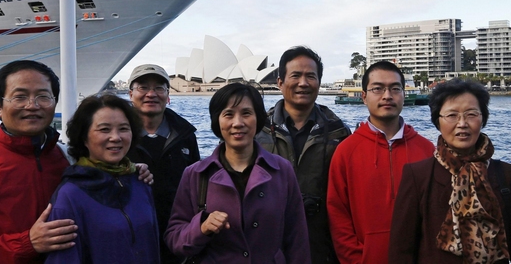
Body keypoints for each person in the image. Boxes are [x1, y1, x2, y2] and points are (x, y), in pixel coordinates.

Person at [0, 60, 152, 263]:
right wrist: (26, 243)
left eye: (43, 97)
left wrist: (131, 171)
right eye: (20, 96)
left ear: (55, 103)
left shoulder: (70, 159)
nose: (32, 105)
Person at [165, 83, 311, 263]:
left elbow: (297, 240)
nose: (238, 123)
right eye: (228, 114)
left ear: (258, 118)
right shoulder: (195, 174)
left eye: (246, 113)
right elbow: (174, 239)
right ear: (217, 120)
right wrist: (201, 228)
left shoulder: (282, 170)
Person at [389, 79, 511, 264]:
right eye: (452, 115)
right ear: (438, 120)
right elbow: (401, 251)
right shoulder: (418, 176)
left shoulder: (509, 176)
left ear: (483, 118)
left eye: (471, 114)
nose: (462, 124)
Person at [327, 60, 434, 264]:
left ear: (404, 94)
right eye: (378, 89)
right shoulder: (345, 151)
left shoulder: (427, 150)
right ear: (365, 97)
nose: (387, 96)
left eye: (395, 88)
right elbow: (338, 215)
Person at [255, 46, 350, 264]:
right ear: (280, 82)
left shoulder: (338, 131)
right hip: (268, 243)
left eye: (311, 76)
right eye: (295, 75)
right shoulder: (257, 130)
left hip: (321, 244)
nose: (303, 83)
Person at [45, 94, 160, 263]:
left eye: (123, 128)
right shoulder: (70, 195)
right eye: (104, 129)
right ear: (84, 137)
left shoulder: (140, 183)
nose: (116, 137)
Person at [127, 64, 200, 263]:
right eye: (143, 87)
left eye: (159, 88)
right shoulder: (117, 135)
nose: (151, 94)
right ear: (130, 94)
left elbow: (197, 187)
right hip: (129, 236)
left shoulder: (185, 135)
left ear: (168, 95)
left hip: (175, 237)